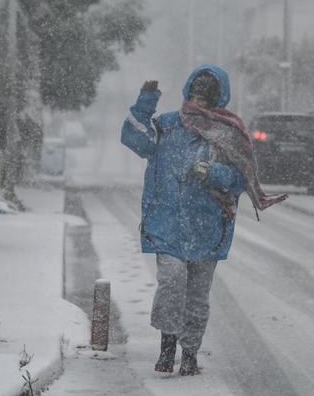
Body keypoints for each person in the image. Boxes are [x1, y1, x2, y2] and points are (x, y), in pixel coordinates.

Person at [121, 64, 287, 376]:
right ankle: (167, 345)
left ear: (217, 101)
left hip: (208, 227)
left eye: (205, 100)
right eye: (194, 97)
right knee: (171, 281)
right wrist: (146, 100)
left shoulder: (228, 135)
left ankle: (190, 354)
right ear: (187, 93)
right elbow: (134, 138)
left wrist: (213, 172)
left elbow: (240, 180)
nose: (197, 104)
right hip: (166, 224)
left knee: (197, 296)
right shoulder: (167, 126)